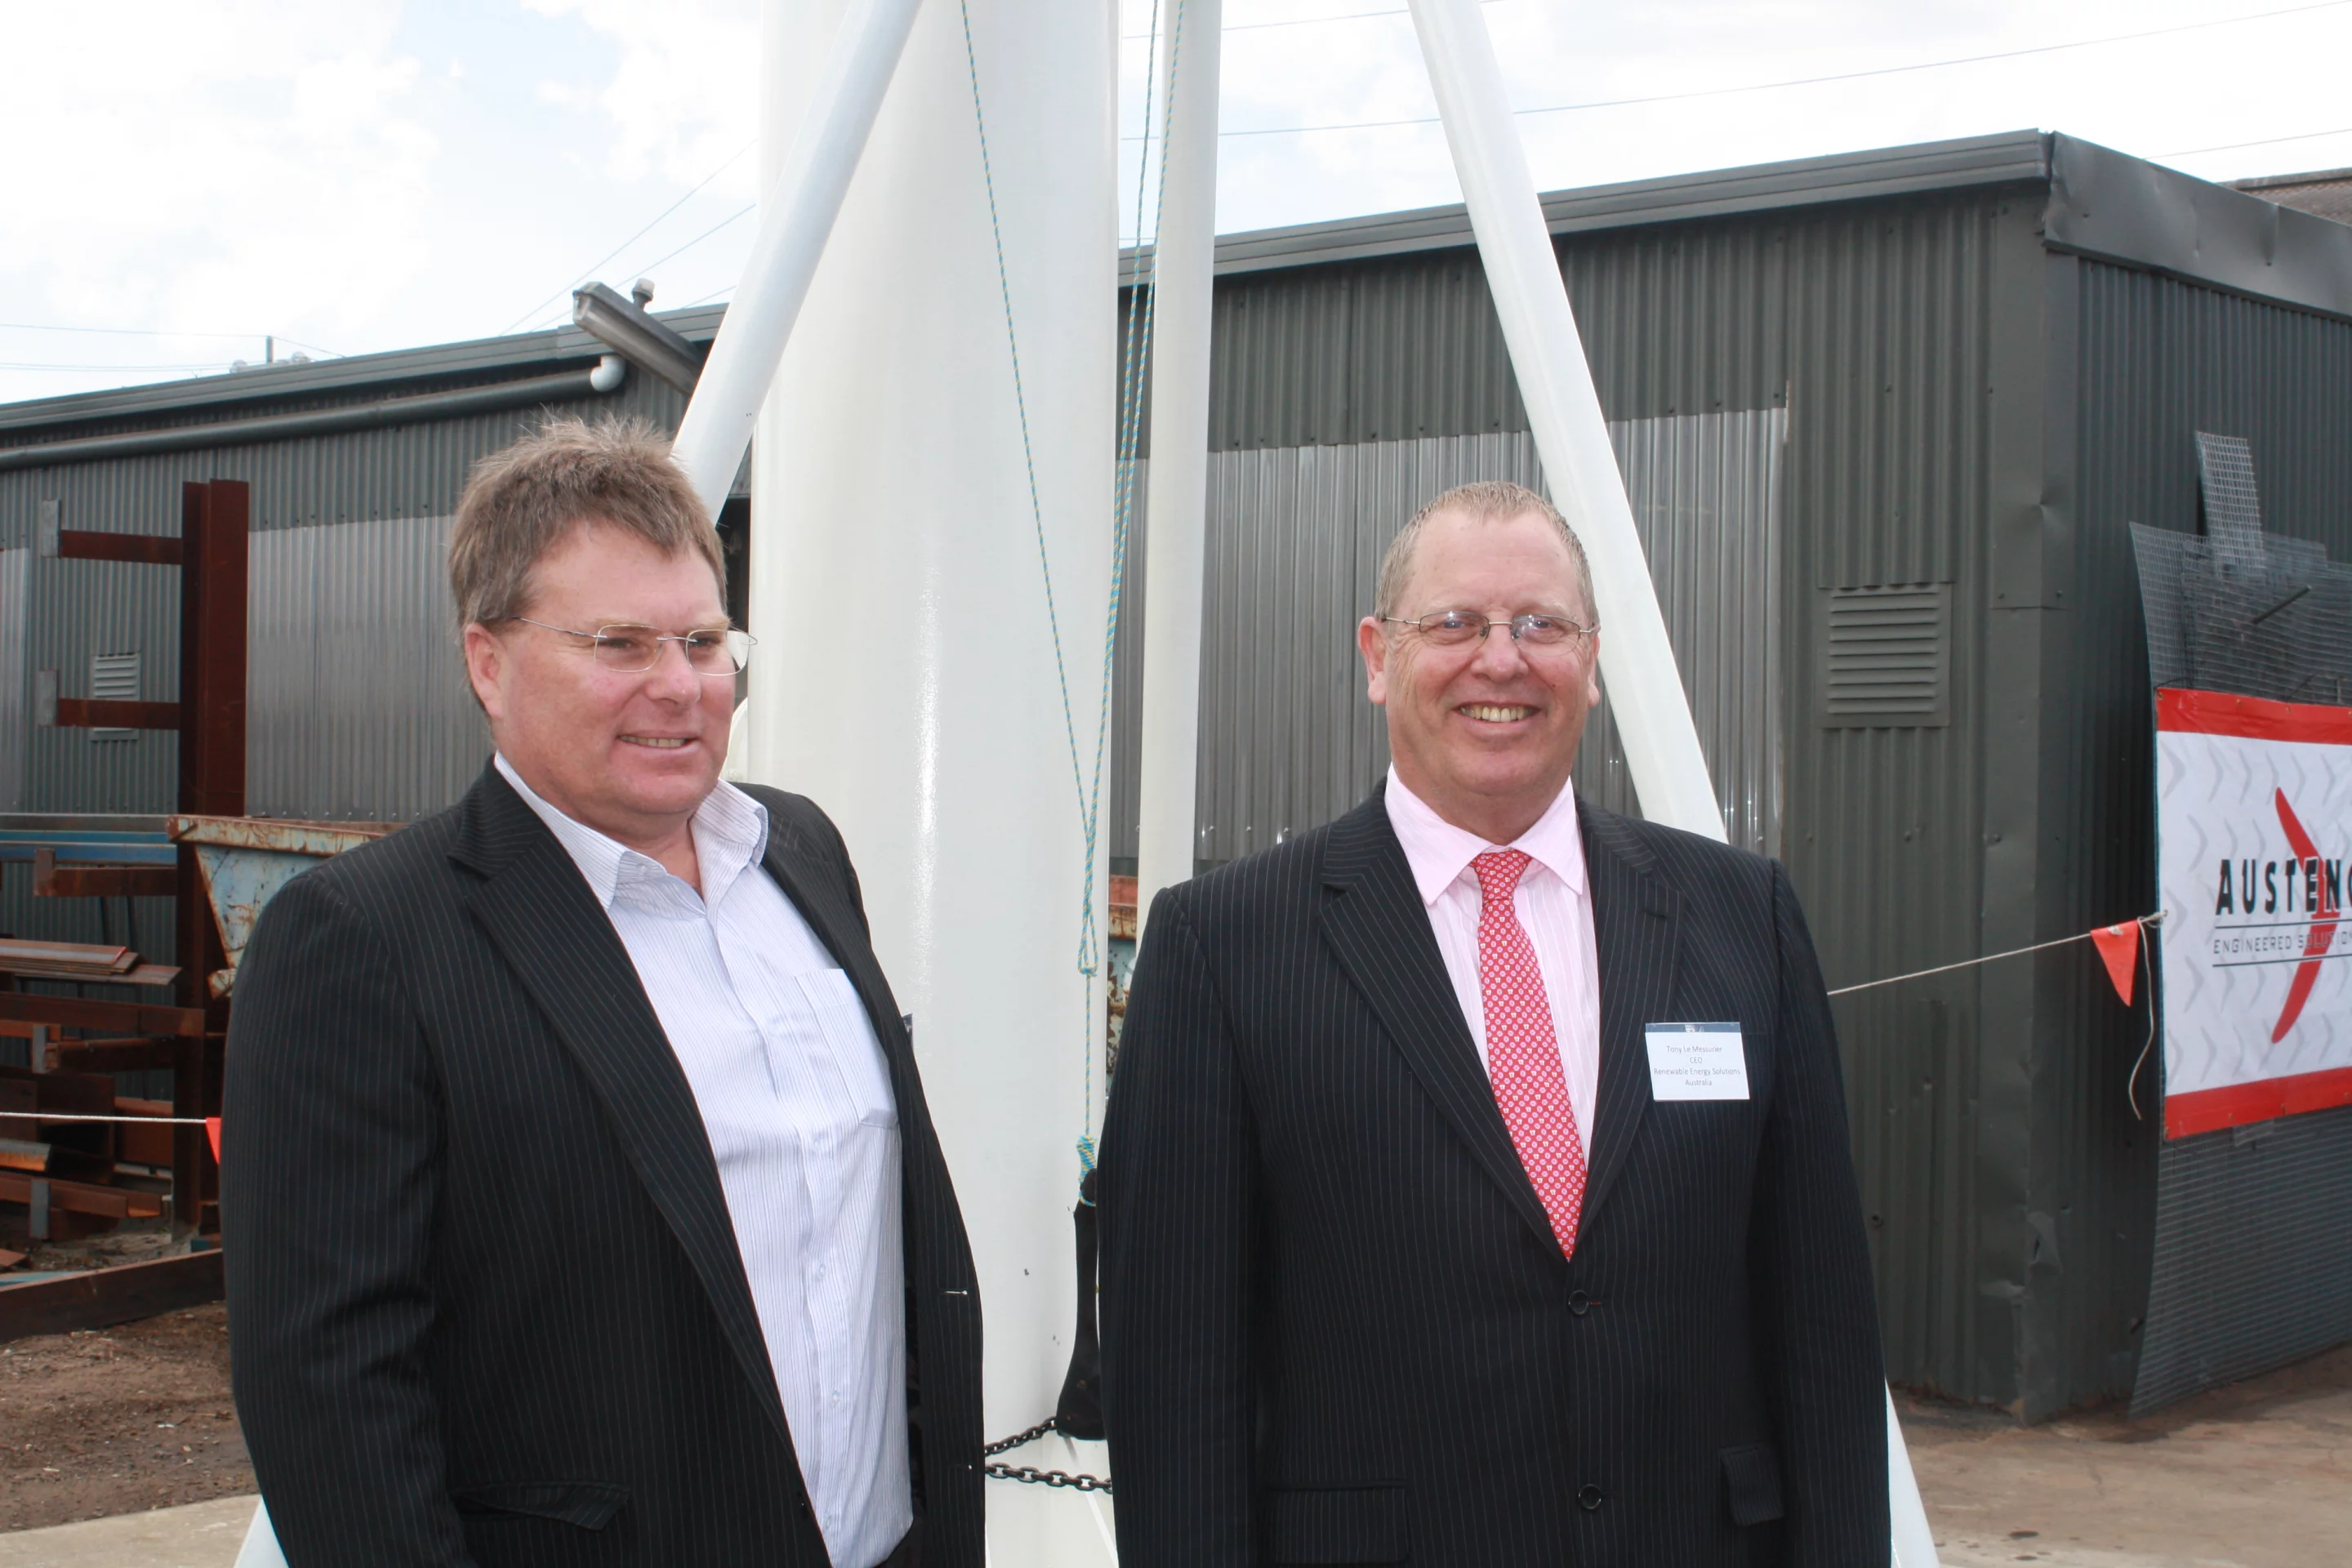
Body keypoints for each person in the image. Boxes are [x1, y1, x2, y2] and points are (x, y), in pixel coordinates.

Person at [222, 418, 980, 1567]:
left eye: (704, 640)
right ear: (489, 660)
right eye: (619, 643)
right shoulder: (366, 941)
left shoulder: (804, 857)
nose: (679, 687)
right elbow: (332, 1390)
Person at [1097, 479, 1887, 1566]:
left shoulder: (1741, 918)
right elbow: (1177, 1377)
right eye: (1455, 624)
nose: (1502, 661)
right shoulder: (1223, 949)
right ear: (1379, 657)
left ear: (1592, 660)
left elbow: (1824, 1327)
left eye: (1541, 626)